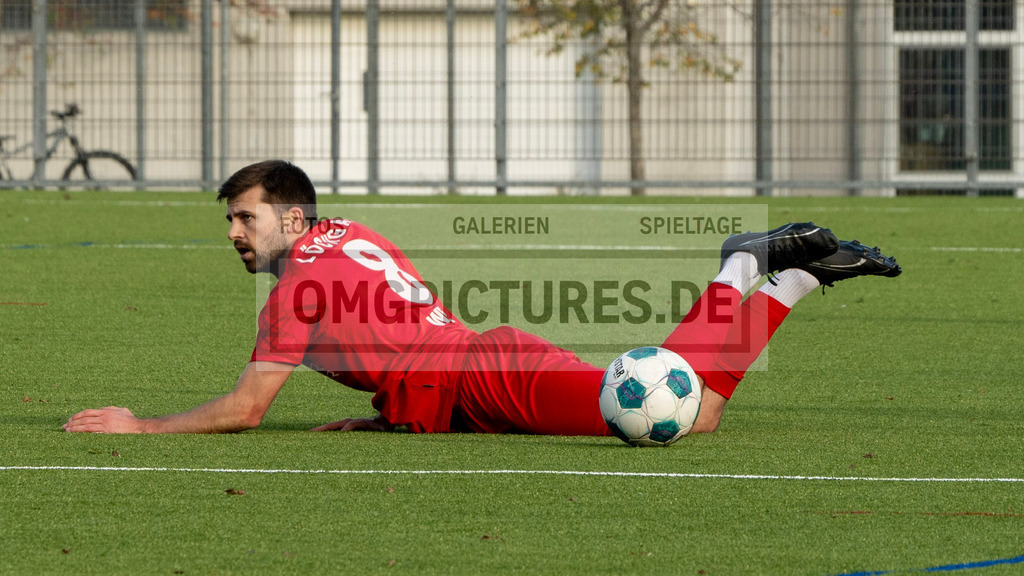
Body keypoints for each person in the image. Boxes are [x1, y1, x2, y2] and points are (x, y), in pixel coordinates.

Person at [63, 160, 901, 436]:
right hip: (471, 371)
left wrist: (144, 425)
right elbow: (395, 334)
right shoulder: (344, 234)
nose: (236, 234)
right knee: (703, 415)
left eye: (245, 219)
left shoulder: (295, 291)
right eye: (231, 221)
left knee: (670, 409)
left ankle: (738, 268)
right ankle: (792, 279)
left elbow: (248, 409)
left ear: (289, 215)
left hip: (487, 377)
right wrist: (393, 411)